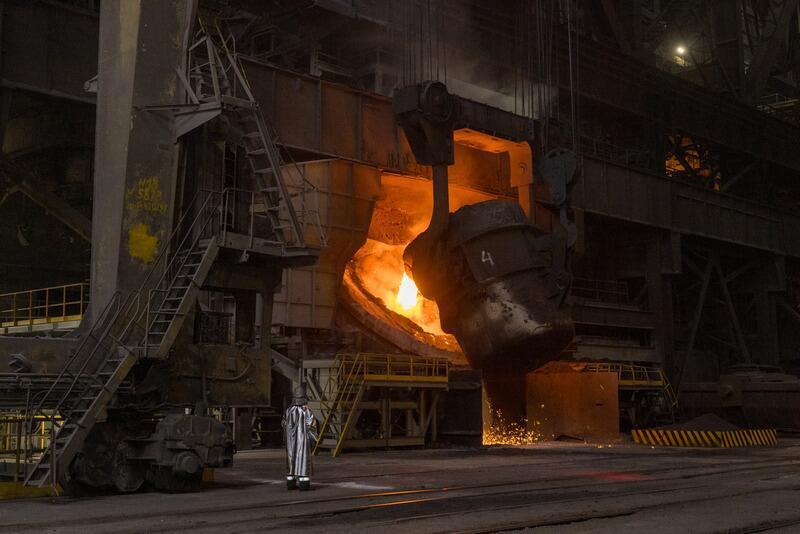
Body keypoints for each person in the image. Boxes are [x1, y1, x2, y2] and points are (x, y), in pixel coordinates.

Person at [282, 384, 318, 490]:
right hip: (303, 442)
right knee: (302, 461)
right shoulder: (307, 411)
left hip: (290, 442)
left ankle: (290, 482)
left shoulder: (288, 411)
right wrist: (314, 440)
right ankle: (304, 484)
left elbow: (283, 424)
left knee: (291, 459)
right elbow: (311, 426)